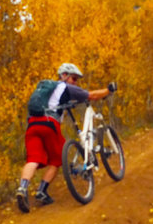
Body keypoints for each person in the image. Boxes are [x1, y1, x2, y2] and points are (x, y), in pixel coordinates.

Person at [16, 63, 114, 213]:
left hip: (32, 126)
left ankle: (22, 188)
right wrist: (108, 90)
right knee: (57, 159)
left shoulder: (46, 89)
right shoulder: (64, 86)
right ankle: (42, 191)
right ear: (64, 75)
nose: (75, 82)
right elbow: (92, 95)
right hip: (49, 124)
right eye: (74, 78)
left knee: (33, 160)